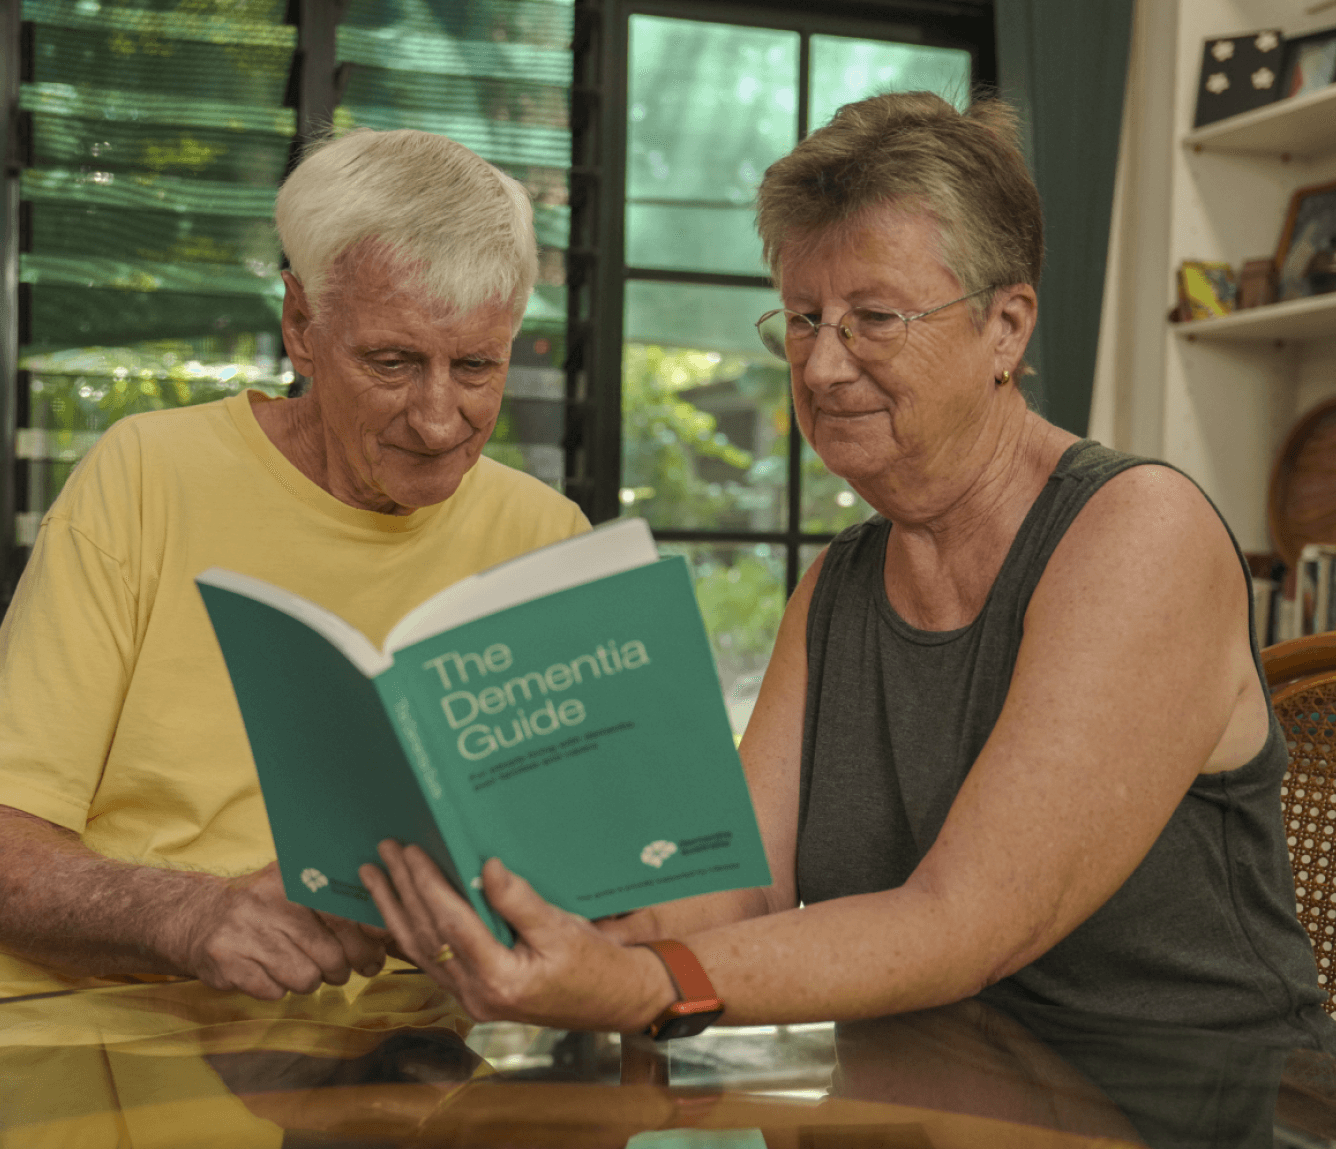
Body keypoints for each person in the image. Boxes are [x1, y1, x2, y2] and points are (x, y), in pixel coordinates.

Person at [361, 92, 1336, 1053]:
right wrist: (553, 924)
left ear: (1006, 327)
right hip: (926, 1115)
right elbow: (739, 885)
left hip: (1194, 1126)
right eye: (801, 318)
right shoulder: (836, 588)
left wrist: (639, 985)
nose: (822, 367)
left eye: (872, 317)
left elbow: (968, 924)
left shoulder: (1137, 533)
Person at [0, 129, 588, 1001]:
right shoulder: (146, 478)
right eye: (391, 362)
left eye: (476, 366)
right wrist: (192, 919)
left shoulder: (546, 538)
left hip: (405, 1074)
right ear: (301, 325)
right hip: (119, 1042)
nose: (438, 419)